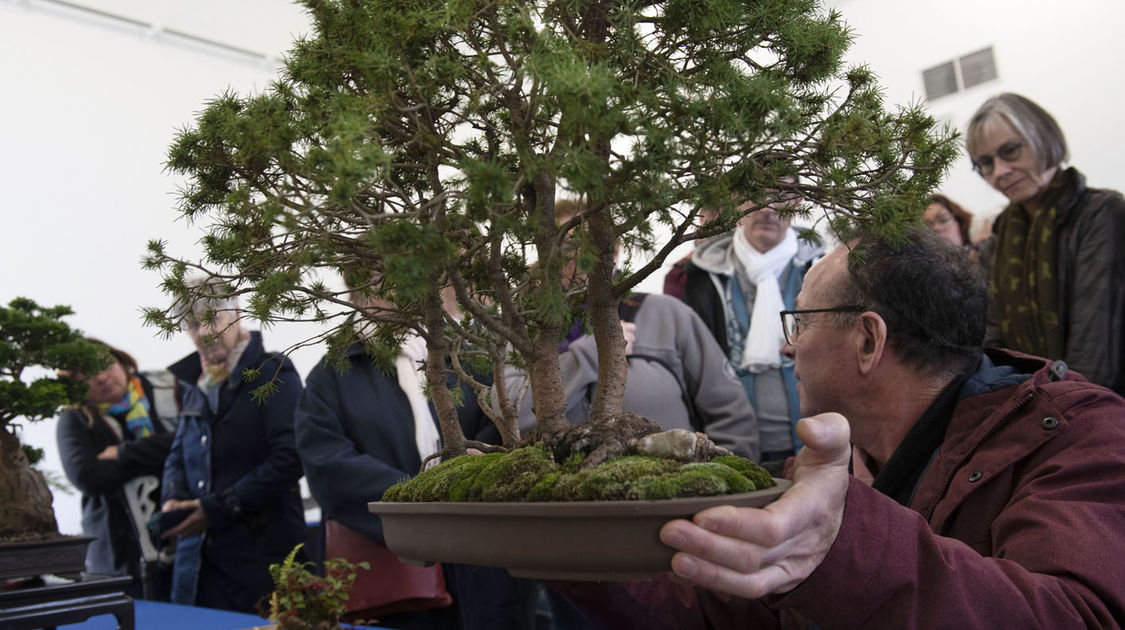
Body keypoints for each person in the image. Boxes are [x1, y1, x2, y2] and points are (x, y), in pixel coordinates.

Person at [551, 227, 1125, 628]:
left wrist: (842, 545)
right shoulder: (829, 464)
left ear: (868, 341)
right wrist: (572, 547)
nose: (785, 344)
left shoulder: (1074, 437)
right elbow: (733, 615)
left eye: (798, 321)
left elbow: (1079, 617)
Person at [294, 280, 541, 630]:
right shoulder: (331, 376)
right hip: (397, 570)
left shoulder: (469, 351)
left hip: (487, 558)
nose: (386, 287)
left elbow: (506, 419)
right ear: (353, 286)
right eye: (369, 275)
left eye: (396, 272)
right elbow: (327, 464)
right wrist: (419, 499)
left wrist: (472, 470)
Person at [498, 199, 760, 461]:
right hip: (557, 492)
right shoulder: (526, 327)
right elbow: (508, 412)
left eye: (597, 244)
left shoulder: (669, 316)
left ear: (615, 251)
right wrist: (587, 355)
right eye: (568, 246)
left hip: (671, 490)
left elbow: (730, 411)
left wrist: (725, 477)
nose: (584, 257)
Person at [967, 92, 1125, 395]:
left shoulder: (1101, 213)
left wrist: (1059, 417)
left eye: (1010, 151)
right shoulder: (1000, 240)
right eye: (986, 162)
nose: (1000, 171)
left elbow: (1095, 345)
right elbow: (994, 344)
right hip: (1042, 410)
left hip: (1098, 411)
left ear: (1043, 138)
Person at [160, 290, 306, 614]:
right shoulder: (195, 383)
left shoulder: (274, 371)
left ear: (237, 313)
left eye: (213, 320)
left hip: (264, 559)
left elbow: (291, 456)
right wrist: (171, 497)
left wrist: (215, 509)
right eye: (194, 325)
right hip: (201, 564)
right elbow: (177, 452)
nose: (205, 333)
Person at [678, 191, 822, 469]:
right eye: (757, 195)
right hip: (729, 444)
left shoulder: (820, 269)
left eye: (781, 196)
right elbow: (694, 364)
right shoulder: (704, 273)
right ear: (736, 200)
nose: (767, 208)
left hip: (812, 442)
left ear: (798, 203)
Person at [56, 338, 180, 599]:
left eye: (105, 365)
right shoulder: (75, 420)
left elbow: (189, 443)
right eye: (86, 375)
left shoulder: (166, 389)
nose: (101, 377)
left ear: (121, 361)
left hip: (181, 545)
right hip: (116, 557)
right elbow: (88, 476)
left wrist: (122, 453)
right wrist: (160, 453)